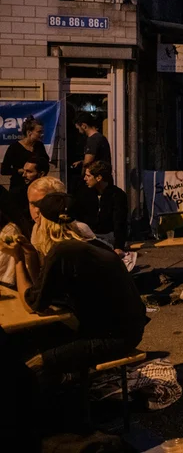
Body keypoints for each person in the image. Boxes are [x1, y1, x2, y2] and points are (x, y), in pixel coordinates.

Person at [10, 191, 147, 377]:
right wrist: (30, 254)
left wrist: (17, 258)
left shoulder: (62, 251)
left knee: (32, 363)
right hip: (125, 330)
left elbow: (32, 304)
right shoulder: (88, 244)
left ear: (43, 221)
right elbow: (40, 292)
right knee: (35, 338)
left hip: (114, 339)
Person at [77, 161, 128, 255]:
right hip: (89, 235)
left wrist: (118, 247)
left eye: (88, 176)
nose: (85, 179)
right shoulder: (85, 193)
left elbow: (120, 223)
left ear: (99, 178)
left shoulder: (117, 195)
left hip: (107, 235)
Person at [1, 116, 50, 199]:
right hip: (18, 188)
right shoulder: (14, 148)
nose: (42, 135)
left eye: (42, 132)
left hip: (36, 187)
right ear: (29, 132)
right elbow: (4, 170)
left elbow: (45, 164)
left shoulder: (40, 146)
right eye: (39, 132)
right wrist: (19, 171)